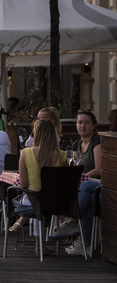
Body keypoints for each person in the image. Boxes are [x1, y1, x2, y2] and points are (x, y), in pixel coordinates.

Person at [10, 119, 67, 256]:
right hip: (55, 204)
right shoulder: (62, 155)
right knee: (38, 199)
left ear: (36, 134)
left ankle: (38, 246)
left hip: (33, 202)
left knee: (32, 197)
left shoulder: (26, 153)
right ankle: (41, 246)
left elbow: (23, 184)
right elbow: (64, 181)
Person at [65, 109, 102, 256]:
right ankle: (85, 245)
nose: (83, 126)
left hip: (98, 185)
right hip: (85, 190)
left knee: (86, 186)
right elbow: (74, 167)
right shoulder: (76, 145)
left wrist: (83, 177)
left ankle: (72, 221)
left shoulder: (96, 142)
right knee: (88, 201)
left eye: (87, 123)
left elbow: (99, 169)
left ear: (94, 126)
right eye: (80, 122)